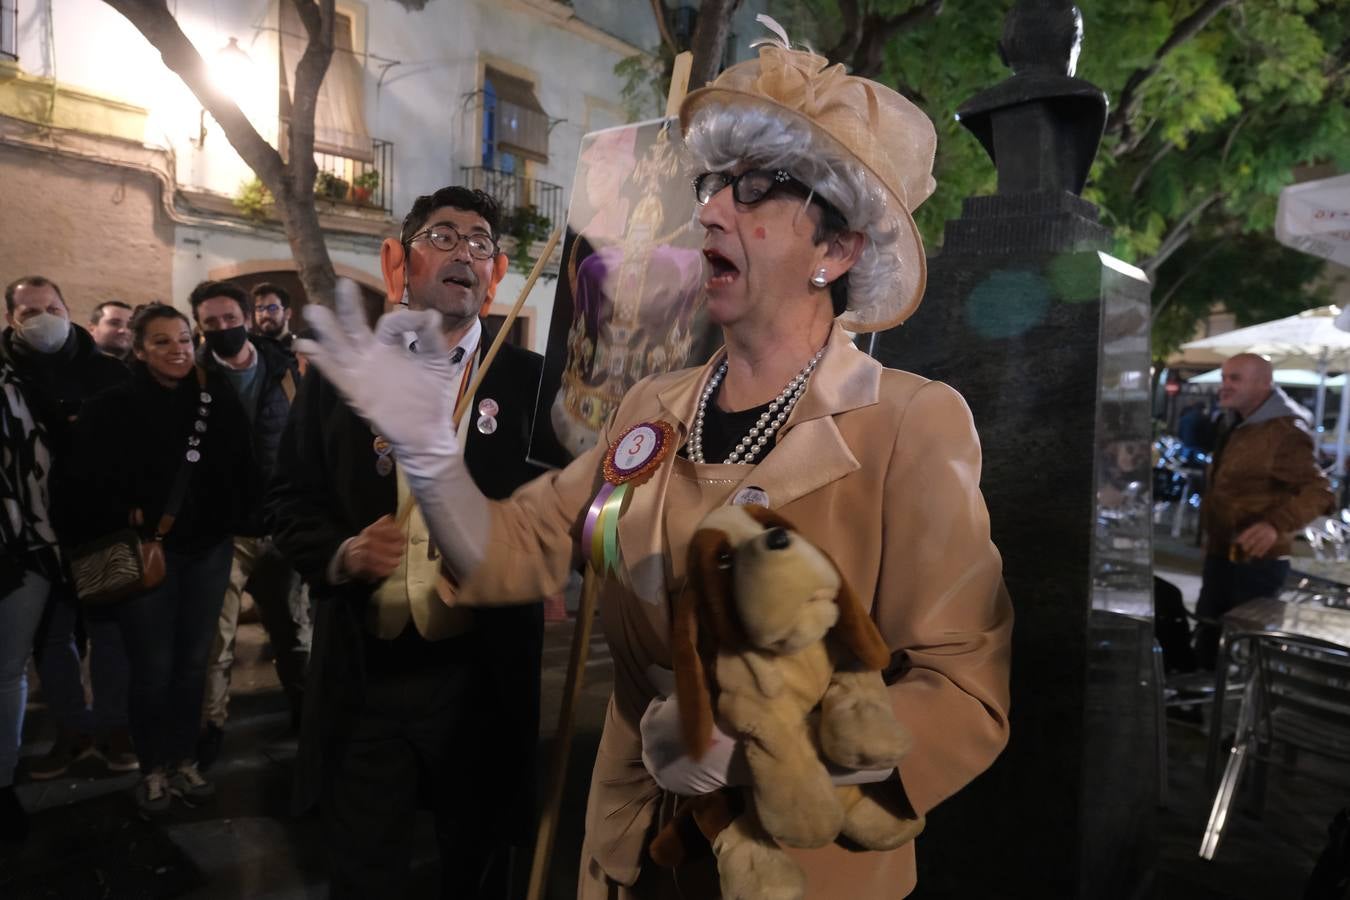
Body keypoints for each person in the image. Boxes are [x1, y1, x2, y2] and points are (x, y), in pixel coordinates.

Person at [300, 39, 1012, 899]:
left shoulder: (910, 422)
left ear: (839, 248)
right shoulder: (652, 409)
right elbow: (511, 549)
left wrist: (753, 752)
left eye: (755, 190)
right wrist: (428, 453)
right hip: (636, 850)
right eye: (713, 186)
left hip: (802, 866)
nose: (710, 212)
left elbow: (964, 693)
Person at [268, 186, 564, 898]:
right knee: (361, 869)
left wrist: (546, 562)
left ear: (494, 277)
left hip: (482, 676)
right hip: (366, 675)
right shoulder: (343, 375)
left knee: (476, 866)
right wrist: (341, 553)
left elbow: (572, 509)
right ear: (403, 262)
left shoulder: (533, 386)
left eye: (482, 242)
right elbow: (287, 501)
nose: (466, 249)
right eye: (444, 234)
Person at [63, 304, 259, 813]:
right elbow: (80, 478)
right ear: (139, 348)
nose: (177, 350)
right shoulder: (113, 406)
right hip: (149, 553)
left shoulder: (216, 399)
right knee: (151, 668)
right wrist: (119, 510)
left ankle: (184, 761)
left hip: (209, 550)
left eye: (182, 340)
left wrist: (239, 519)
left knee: (193, 666)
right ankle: (152, 768)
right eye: (162, 342)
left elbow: (243, 466)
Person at [2, 276, 134, 779]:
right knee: (51, 640)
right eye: (28, 311)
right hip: (32, 538)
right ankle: (72, 731)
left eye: (50, 307)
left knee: (107, 633)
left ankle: (112, 727)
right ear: (12, 318)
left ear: (67, 308)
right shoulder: (8, 375)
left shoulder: (106, 373)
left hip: (97, 527)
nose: (42, 318)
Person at [189, 279, 310, 766]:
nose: (223, 329)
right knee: (216, 641)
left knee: (294, 634)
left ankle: (306, 717)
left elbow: (304, 445)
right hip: (223, 535)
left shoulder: (286, 372)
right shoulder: (192, 378)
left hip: (282, 530)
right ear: (199, 326)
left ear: (247, 317)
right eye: (210, 323)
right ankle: (210, 727)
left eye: (229, 319)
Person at [1195, 352, 1333, 669]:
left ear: (1263, 383)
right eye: (1224, 377)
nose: (1224, 385)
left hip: (1256, 563)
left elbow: (1320, 490)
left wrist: (1275, 525)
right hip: (1222, 554)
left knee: (1245, 650)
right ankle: (1196, 709)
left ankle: (1247, 713)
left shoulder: (1284, 430)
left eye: (1235, 378)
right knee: (1207, 639)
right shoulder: (1240, 423)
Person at [0, 359, 61, 841]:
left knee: (7, 671)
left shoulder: (21, 385)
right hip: (24, 540)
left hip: (23, 547)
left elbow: (39, 464)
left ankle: (2, 778)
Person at [251, 282, 297, 355]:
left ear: (287, 313)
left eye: (272, 308)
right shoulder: (251, 352)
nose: (265, 315)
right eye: (260, 308)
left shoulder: (300, 351)